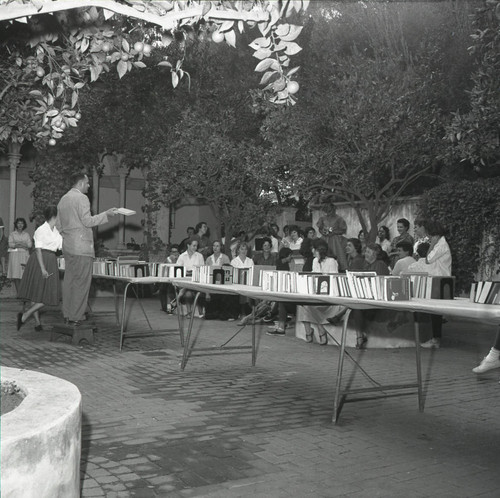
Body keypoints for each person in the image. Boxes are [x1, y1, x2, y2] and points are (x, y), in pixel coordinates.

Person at [57, 172, 117, 325]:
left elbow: (58, 225)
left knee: (70, 281)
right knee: (82, 283)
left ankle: (68, 314)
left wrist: (68, 236)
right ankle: (77, 316)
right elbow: (87, 221)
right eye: (87, 183)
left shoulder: (63, 199)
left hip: (68, 247)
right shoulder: (82, 198)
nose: (89, 186)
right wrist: (107, 214)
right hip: (82, 247)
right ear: (81, 183)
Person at [17, 206, 62, 331]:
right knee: (42, 294)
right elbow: (38, 250)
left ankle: (31, 319)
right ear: (54, 216)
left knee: (45, 294)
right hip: (40, 260)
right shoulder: (41, 230)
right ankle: (29, 317)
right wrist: (42, 268)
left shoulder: (56, 231)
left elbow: (60, 246)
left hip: (51, 259)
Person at [295, 239, 340, 345]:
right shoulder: (315, 261)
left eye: (314, 248)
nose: (312, 251)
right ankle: (309, 330)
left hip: (329, 294)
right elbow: (313, 276)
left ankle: (320, 329)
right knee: (302, 302)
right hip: (317, 292)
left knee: (311, 304)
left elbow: (333, 280)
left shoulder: (331, 261)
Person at [418, 220, 452, 349]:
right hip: (438, 279)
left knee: (436, 312)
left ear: (435, 234)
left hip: (441, 280)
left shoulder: (441, 245)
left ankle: (436, 339)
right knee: (435, 312)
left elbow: (428, 259)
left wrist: (431, 244)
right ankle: (435, 338)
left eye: (430, 235)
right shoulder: (441, 243)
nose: (429, 237)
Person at [317, 204, 348, 271]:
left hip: (335, 240)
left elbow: (343, 230)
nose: (329, 212)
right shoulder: (322, 218)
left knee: (337, 253)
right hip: (325, 239)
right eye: (327, 211)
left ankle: (339, 267)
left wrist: (334, 232)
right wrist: (323, 232)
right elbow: (320, 228)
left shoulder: (339, 219)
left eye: (330, 210)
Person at [7, 217, 32, 294]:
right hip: (14, 256)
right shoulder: (12, 234)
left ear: (24, 225)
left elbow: (29, 245)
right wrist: (23, 244)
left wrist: (17, 244)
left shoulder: (27, 234)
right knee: (16, 275)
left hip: (24, 256)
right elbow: (10, 244)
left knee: (24, 274)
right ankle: (19, 294)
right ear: (16, 224)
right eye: (19, 223)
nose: (20, 225)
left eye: (22, 223)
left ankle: (23, 293)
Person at [159, 244, 180, 313]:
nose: (174, 253)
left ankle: (171, 306)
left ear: (178, 252)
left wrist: (174, 260)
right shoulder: (167, 259)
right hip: (168, 278)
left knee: (170, 289)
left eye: (175, 252)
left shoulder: (181, 258)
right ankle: (164, 307)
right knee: (162, 288)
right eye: (172, 252)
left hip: (178, 278)